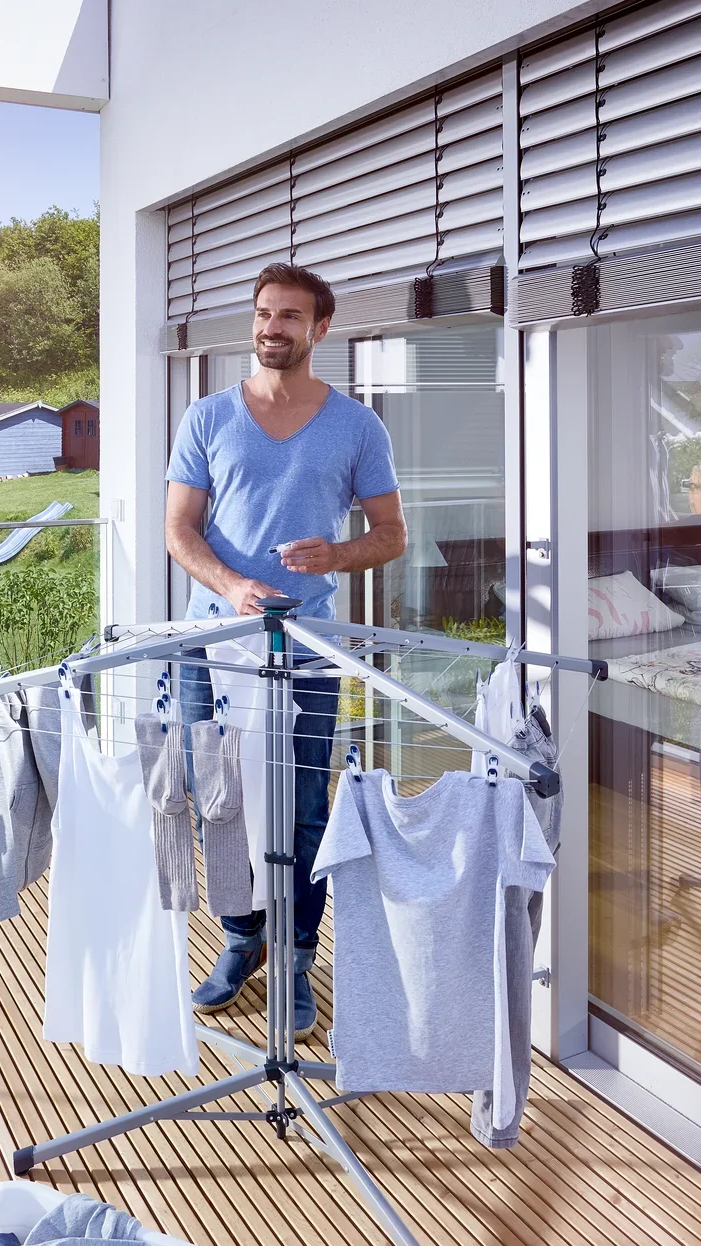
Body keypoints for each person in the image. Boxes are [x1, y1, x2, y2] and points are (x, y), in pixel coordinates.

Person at [164, 262, 406, 1038]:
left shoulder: (357, 427)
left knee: (302, 812)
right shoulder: (207, 417)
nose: (272, 328)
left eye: (290, 316)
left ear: (320, 329)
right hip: (211, 642)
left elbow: (391, 536)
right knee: (220, 801)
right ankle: (244, 941)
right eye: (264, 313)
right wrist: (234, 585)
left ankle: (297, 958)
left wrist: (337, 555)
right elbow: (179, 531)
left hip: (305, 649)